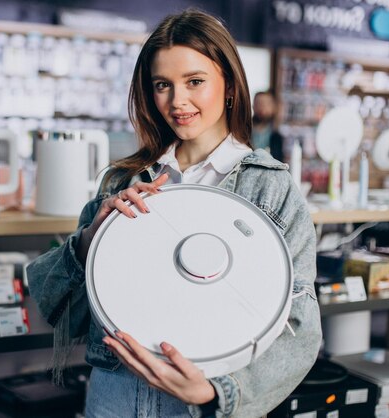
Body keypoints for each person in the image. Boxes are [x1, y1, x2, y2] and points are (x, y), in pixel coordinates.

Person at [27, 8, 321, 418]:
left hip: (204, 400)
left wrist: (219, 393)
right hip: (115, 394)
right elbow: (64, 314)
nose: (177, 101)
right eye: (162, 85)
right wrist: (89, 242)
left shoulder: (269, 188)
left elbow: (299, 327)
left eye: (195, 82)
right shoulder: (122, 181)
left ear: (230, 86)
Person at [251, 90, 284, 162]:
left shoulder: (276, 137)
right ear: (253, 106)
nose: (262, 108)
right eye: (259, 103)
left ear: (273, 108)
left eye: (266, 104)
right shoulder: (243, 133)